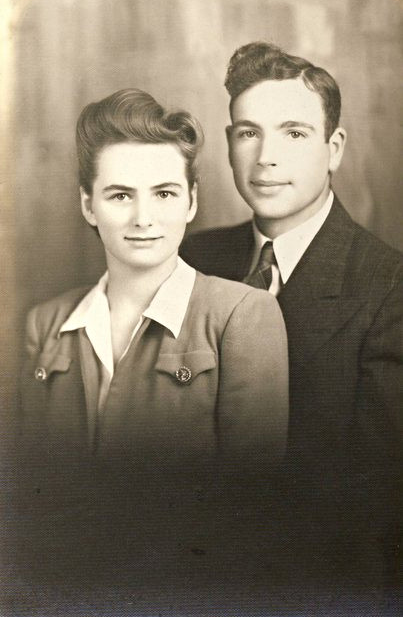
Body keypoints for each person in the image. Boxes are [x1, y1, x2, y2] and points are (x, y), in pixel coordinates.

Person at [16, 88, 288, 607]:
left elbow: (251, 502)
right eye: (120, 195)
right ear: (88, 206)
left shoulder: (241, 315)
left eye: (164, 194)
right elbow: (33, 491)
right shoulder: (46, 323)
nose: (144, 218)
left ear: (191, 201)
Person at [181, 42, 403, 607]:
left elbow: (377, 505)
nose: (265, 158)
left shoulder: (388, 285)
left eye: (294, 133)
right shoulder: (190, 258)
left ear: (334, 148)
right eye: (247, 132)